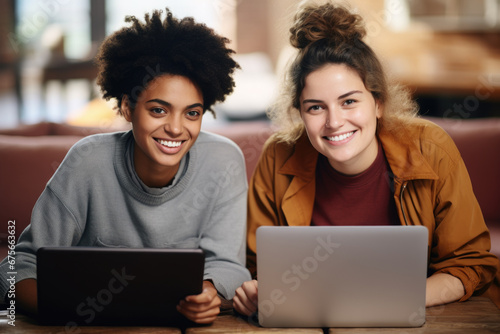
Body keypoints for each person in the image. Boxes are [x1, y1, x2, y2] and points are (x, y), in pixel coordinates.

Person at [233, 0, 499, 316]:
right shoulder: (278, 155)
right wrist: (255, 290)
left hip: (413, 316)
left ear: (378, 103)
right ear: (300, 114)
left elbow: (471, 264)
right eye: (316, 107)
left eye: (349, 102)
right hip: (312, 318)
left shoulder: (431, 147)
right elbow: (257, 265)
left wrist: (392, 300)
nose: (334, 122)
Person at [0, 8, 251, 324]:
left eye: (192, 113)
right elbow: (18, 265)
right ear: (126, 107)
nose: (176, 128)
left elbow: (229, 264)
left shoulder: (223, 161)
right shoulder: (87, 161)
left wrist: (207, 292)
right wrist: (68, 311)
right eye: (159, 110)